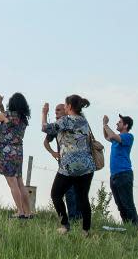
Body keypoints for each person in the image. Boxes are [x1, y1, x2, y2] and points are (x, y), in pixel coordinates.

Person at [42, 95, 96, 236]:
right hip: (87, 166)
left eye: (65, 106)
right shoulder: (84, 121)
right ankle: (86, 230)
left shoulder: (66, 120)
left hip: (69, 166)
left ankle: (65, 225)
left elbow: (45, 128)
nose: (64, 108)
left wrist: (44, 113)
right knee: (83, 197)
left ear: (70, 107)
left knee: (56, 194)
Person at [0, 93, 31, 219]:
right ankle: (28, 212)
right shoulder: (23, 119)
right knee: (19, 182)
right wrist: (1, 108)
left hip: (7, 151)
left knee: (12, 183)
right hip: (18, 151)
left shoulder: (7, 115)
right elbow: (7, 119)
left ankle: (20, 212)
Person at [43, 103, 80, 221]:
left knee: (78, 190)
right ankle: (73, 217)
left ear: (66, 111)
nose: (56, 112)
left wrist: (44, 114)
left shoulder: (72, 122)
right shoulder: (56, 126)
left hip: (78, 163)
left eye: (58, 110)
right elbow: (46, 142)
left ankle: (78, 217)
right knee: (69, 190)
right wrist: (53, 152)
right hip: (65, 164)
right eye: (55, 111)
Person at [102, 113, 138, 228]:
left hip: (124, 174)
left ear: (126, 125)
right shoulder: (115, 137)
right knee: (120, 204)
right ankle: (127, 226)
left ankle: (134, 227)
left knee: (127, 203)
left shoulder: (128, 136)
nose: (117, 123)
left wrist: (105, 124)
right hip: (114, 175)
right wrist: (104, 126)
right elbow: (107, 137)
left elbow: (113, 136)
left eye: (120, 122)